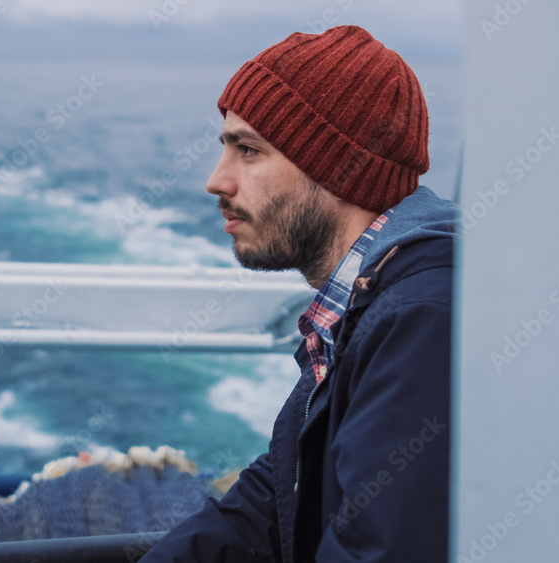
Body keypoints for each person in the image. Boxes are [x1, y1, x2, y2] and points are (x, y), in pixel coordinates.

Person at [141, 25, 456, 562]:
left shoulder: (421, 317)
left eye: (249, 150)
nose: (217, 181)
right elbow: (278, 496)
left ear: (335, 168)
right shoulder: (366, 302)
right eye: (226, 147)